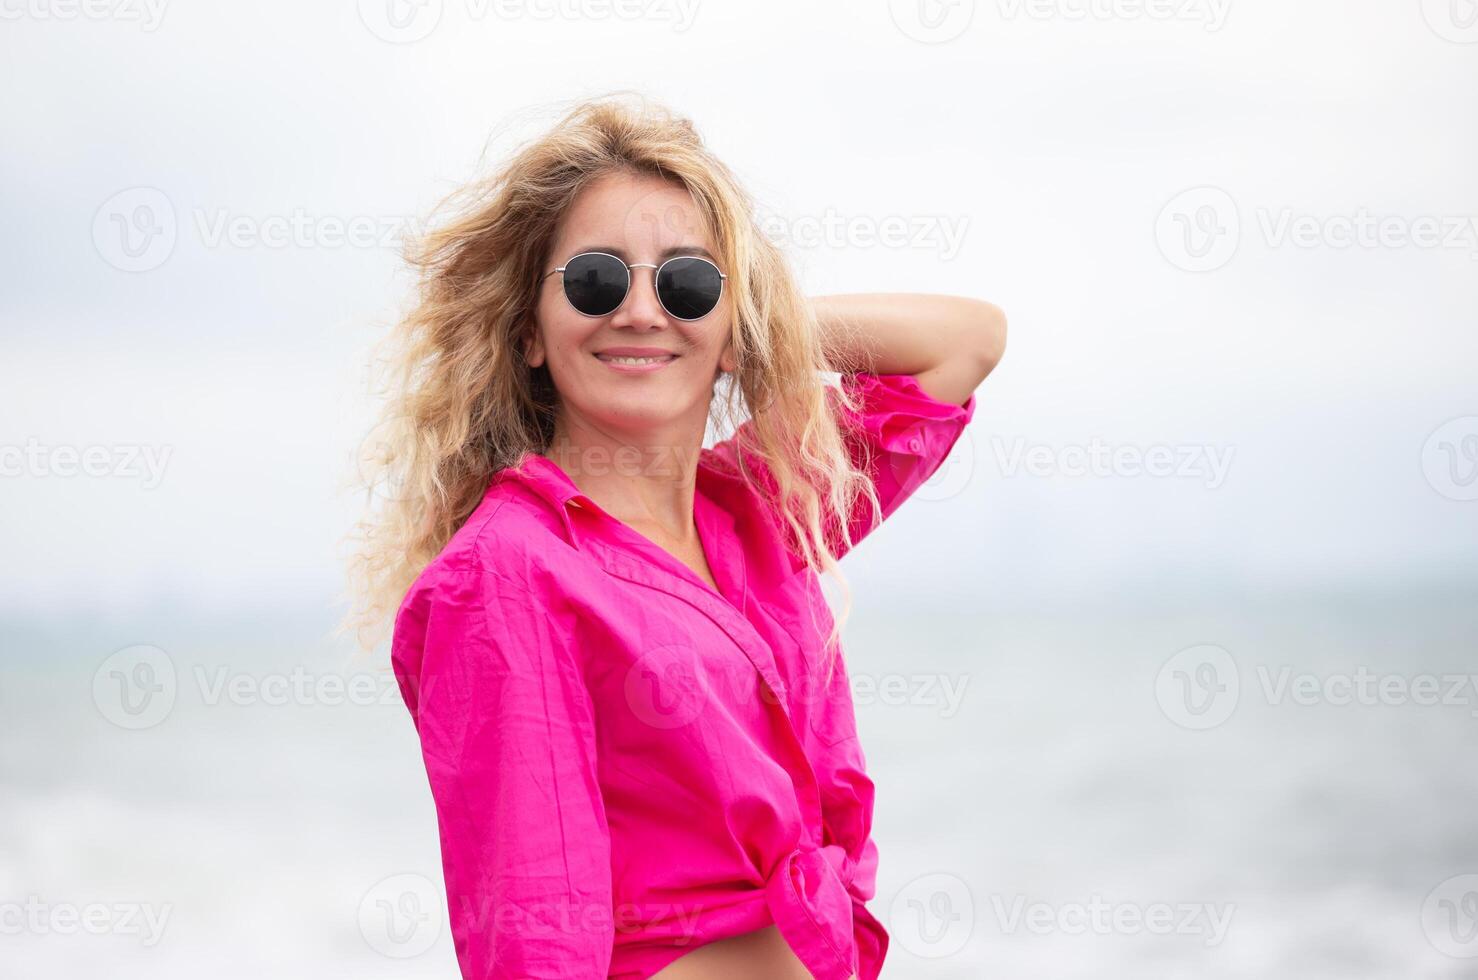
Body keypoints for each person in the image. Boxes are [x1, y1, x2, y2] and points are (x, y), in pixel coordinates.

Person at [347, 93, 1006, 980]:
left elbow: (964, 343)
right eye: (596, 281)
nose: (642, 313)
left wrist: (747, 324)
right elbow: (536, 938)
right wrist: (712, 314)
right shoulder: (508, 571)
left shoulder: (757, 512)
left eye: (687, 281)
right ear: (529, 332)